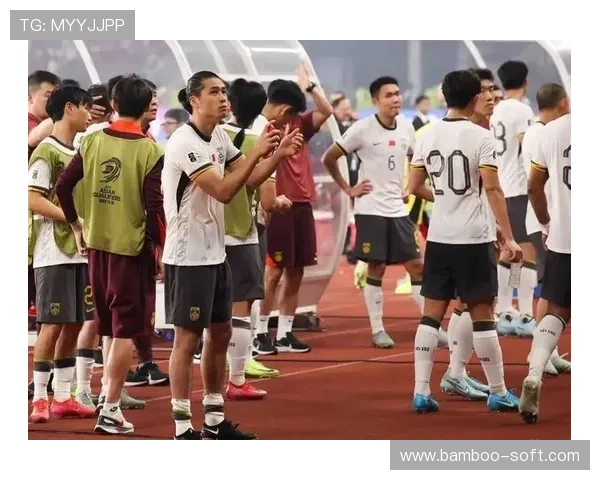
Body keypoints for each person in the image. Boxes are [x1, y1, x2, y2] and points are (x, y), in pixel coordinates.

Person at [162, 71, 302, 440]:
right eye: (214, 92)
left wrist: (278, 155)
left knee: (221, 332)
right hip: (187, 255)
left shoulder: (220, 136)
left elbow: (250, 180)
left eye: (224, 91)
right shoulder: (184, 141)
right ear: (194, 100)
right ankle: (181, 426)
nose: (223, 98)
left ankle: (213, 419)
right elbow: (224, 191)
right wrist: (258, 151)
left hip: (215, 251)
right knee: (187, 339)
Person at [406, 69, 522, 413]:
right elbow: (493, 189)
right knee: (483, 314)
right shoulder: (481, 137)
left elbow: (413, 187)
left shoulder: (427, 134)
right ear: (474, 99)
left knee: (431, 315)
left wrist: (446, 199)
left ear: (444, 96)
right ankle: (498, 391)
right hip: (473, 239)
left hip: (439, 237)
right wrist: (509, 236)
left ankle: (421, 392)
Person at [56, 74, 165, 435]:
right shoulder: (151, 150)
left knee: (107, 325)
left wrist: (77, 225)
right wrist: (159, 249)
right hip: (130, 251)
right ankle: (111, 409)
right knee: (124, 331)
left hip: (96, 248)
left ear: (113, 104)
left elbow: (63, 186)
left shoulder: (91, 140)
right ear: (147, 105)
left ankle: (105, 396)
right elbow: (154, 208)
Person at [322, 76, 428, 349]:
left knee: (416, 265)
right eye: (389, 95)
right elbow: (329, 158)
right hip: (370, 209)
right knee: (376, 267)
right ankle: (378, 329)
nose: (396, 99)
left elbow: (416, 160)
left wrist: (410, 187)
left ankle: (431, 326)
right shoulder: (362, 129)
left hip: (398, 208)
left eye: (398, 93)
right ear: (375, 101)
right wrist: (348, 188)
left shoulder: (406, 127)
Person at [221, 78, 296, 400]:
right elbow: (267, 200)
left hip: (205, 235)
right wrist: (280, 201)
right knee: (241, 305)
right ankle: (239, 375)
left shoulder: (208, 136)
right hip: (241, 232)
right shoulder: (259, 141)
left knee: (210, 314)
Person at [28, 85, 96, 423]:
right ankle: (40, 398)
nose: (89, 114)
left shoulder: (81, 149)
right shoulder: (47, 150)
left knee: (75, 322)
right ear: (69, 108)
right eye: (85, 107)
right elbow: (33, 199)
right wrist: (73, 220)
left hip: (81, 251)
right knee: (52, 323)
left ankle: (63, 396)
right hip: (54, 250)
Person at [257, 63, 333, 355]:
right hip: (278, 205)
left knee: (296, 271)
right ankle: (260, 332)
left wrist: (310, 86)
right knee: (273, 273)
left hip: (302, 204)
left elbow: (326, 111)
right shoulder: (262, 128)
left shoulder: (299, 123)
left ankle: (285, 334)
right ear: (283, 107)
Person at [438, 68, 497, 401]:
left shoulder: (480, 132)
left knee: (470, 302)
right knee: (476, 303)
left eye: (493, 90)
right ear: (472, 97)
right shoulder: (469, 135)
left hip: (475, 229)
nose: (491, 96)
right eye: (484, 91)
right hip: (467, 235)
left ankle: (456, 372)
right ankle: (456, 373)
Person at [519, 107, 574, 424]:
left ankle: (534, 372)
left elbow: (533, 186)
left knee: (556, 311)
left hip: (564, 237)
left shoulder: (550, 131)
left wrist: (546, 223)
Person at [489, 61, 536, 318]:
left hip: (501, 186)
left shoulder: (496, 110)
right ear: (525, 82)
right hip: (518, 188)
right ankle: (526, 312)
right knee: (527, 252)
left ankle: (506, 307)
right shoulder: (522, 110)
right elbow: (529, 148)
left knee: (511, 251)